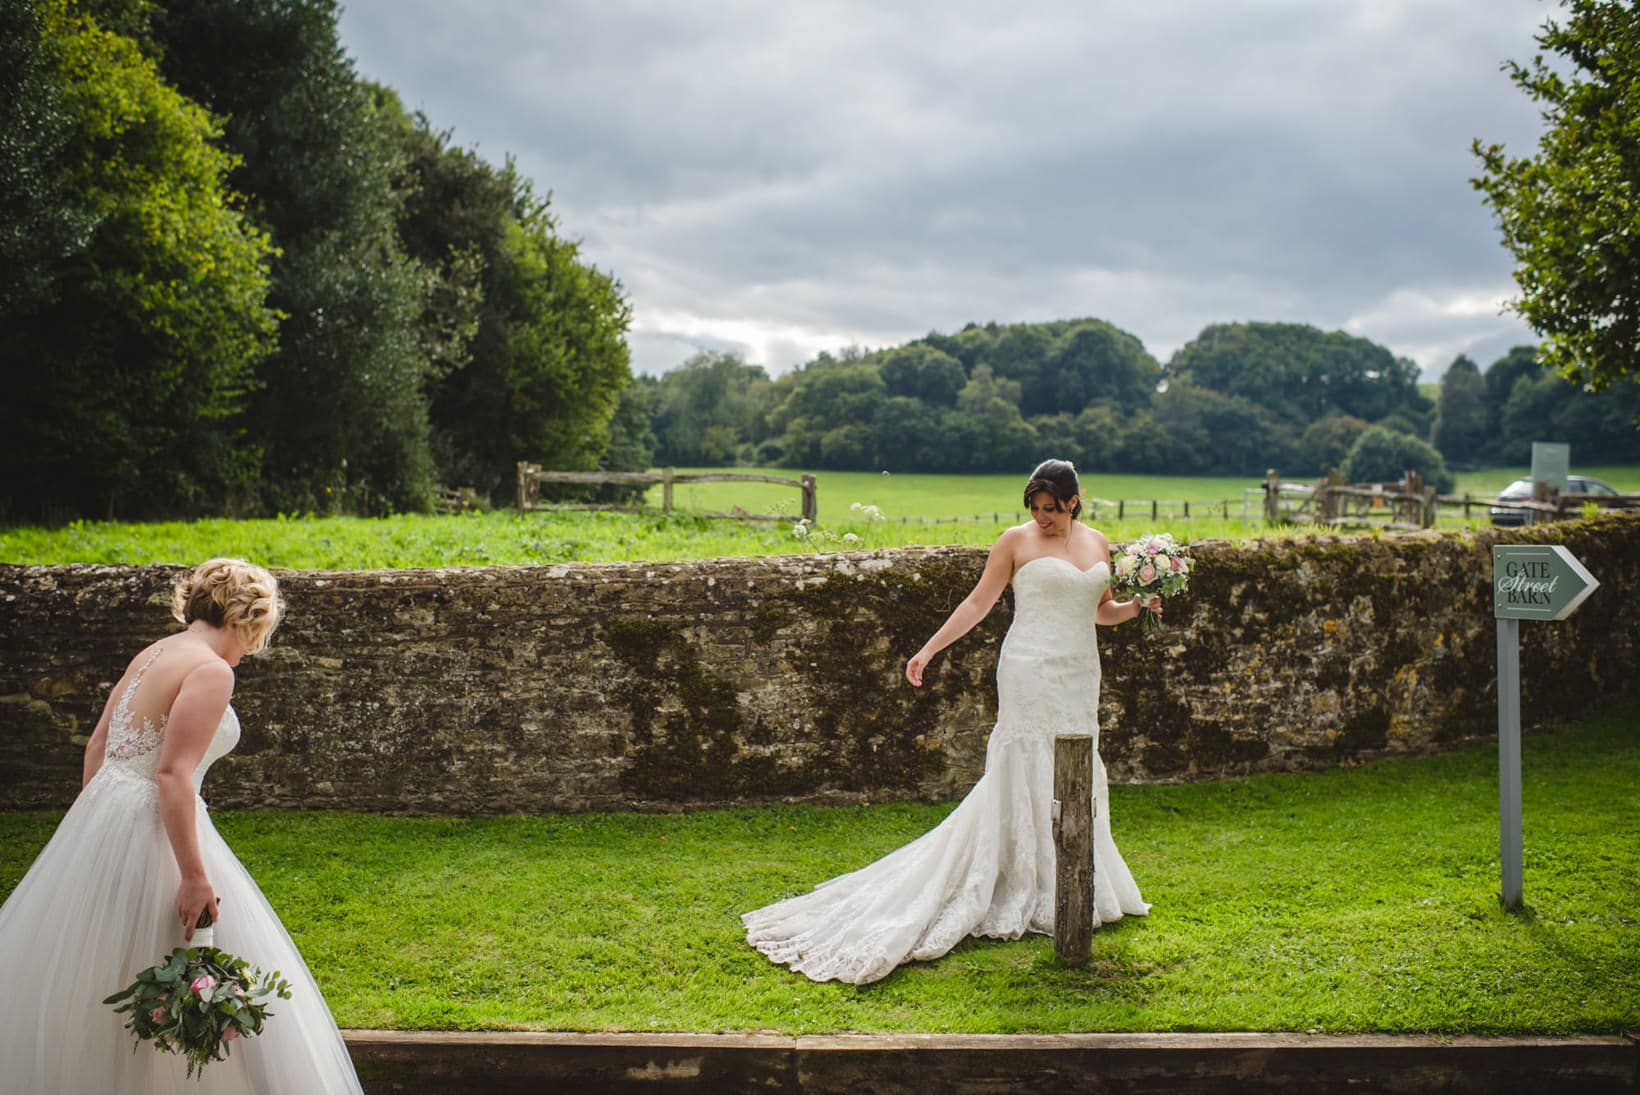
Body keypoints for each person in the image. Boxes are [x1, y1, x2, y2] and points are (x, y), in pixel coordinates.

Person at [742, 459, 1154, 984]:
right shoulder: (1014, 541)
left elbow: (1101, 610)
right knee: (1026, 762)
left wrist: (1140, 604)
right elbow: (980, 601)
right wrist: (928, 650)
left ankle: (1069, 880)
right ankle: (1015, 877)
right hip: (1028, 669)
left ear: (1074, 501)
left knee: (1073, 766)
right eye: (1035, 508)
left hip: (1079, 672)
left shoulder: (1099, 543)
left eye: (1052, 508)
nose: (1043, 517)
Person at [0, 558, 364, 1094]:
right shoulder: (213, 670)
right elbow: (172, 774)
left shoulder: (154, 653)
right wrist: (193, 875)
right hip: (153, 824)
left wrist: (95, 832)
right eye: (258, 631)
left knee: (108, 962)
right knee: (179, 958)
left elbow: (99, 747)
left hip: (107, 813)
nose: (252, 647)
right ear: (247, 617)